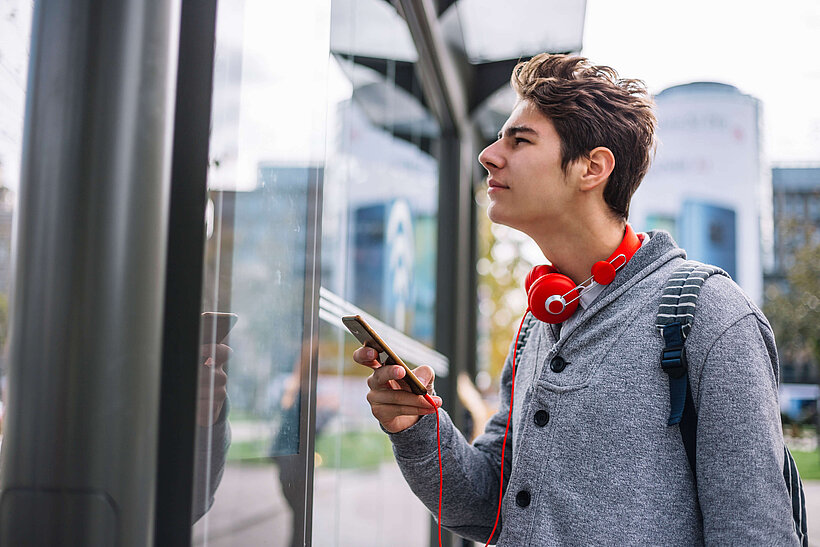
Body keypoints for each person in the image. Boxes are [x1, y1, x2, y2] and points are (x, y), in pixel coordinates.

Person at [353, 53, 800, 545]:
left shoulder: (710, 313)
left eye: (519, 140)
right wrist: (417, 426)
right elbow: (491, 506)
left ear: (593, 167)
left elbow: (756, 531)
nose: (488, 154)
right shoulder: (537, 325)